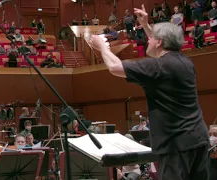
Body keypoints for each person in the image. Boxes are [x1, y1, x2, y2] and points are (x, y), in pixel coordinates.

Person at [89, 5, 209, 180]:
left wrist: (103, 47)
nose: (148, 40)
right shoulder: (185, 62)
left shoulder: (157, 67)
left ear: (159, 42)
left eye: (151, 38)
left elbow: (115, 67)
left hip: (176, 144)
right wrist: (145, 25)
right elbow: (161, 45)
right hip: (198, 138)